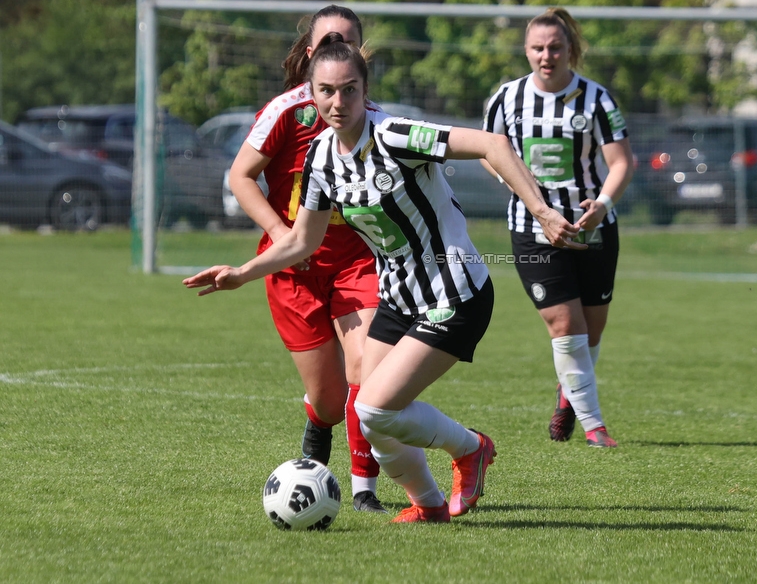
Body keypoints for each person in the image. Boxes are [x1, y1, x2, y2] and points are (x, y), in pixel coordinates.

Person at [186, 34, 583, 523]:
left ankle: (471, 449)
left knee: (374, 409)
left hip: (454, 293)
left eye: (349, 89)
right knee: (368, 416)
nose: (338, 101)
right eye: (327, 91)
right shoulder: (320, 160)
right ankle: (431, 506)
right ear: (311, 93)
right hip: (398, 297)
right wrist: (240, 274)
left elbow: (493, 143)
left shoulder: (396, 135)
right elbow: (300, 242)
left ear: (365, 89)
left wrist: (540, 210)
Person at [227, 6, 385, 513]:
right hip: (293, 270)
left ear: (359, 58)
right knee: (330, 399)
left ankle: (364, 492)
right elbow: (240, 177)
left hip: (356, 263)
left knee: (367, 371)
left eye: (348, 42)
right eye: (327, 41)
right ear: (311, 52)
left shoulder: (379, 122)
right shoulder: (286, 112)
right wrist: (279, 235)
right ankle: (317, 435)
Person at [482, 7, 633, 448]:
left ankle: (568, 397)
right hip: (533, 230)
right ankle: (595, 427)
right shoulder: (506, 99)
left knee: (591, 331)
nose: (546, 56)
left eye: (555, 47)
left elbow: (622, 162)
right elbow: (491, 156)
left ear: (570, 49)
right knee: (566, 327)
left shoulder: (596, 99)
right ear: (526, 51)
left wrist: (602, 203)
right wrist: (529, 196)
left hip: (593, 229)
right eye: (537, 48)